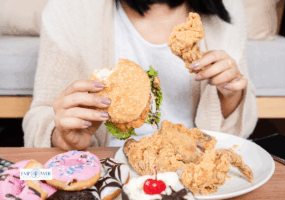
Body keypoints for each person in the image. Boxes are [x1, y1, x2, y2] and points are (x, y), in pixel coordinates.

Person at [23, 0, 258, 150]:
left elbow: (238, 129)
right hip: (105, 162)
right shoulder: (69, 9)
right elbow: (40, 116)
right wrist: (62, 136)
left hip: (192, 158)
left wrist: (228, 95)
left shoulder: (226, 9)